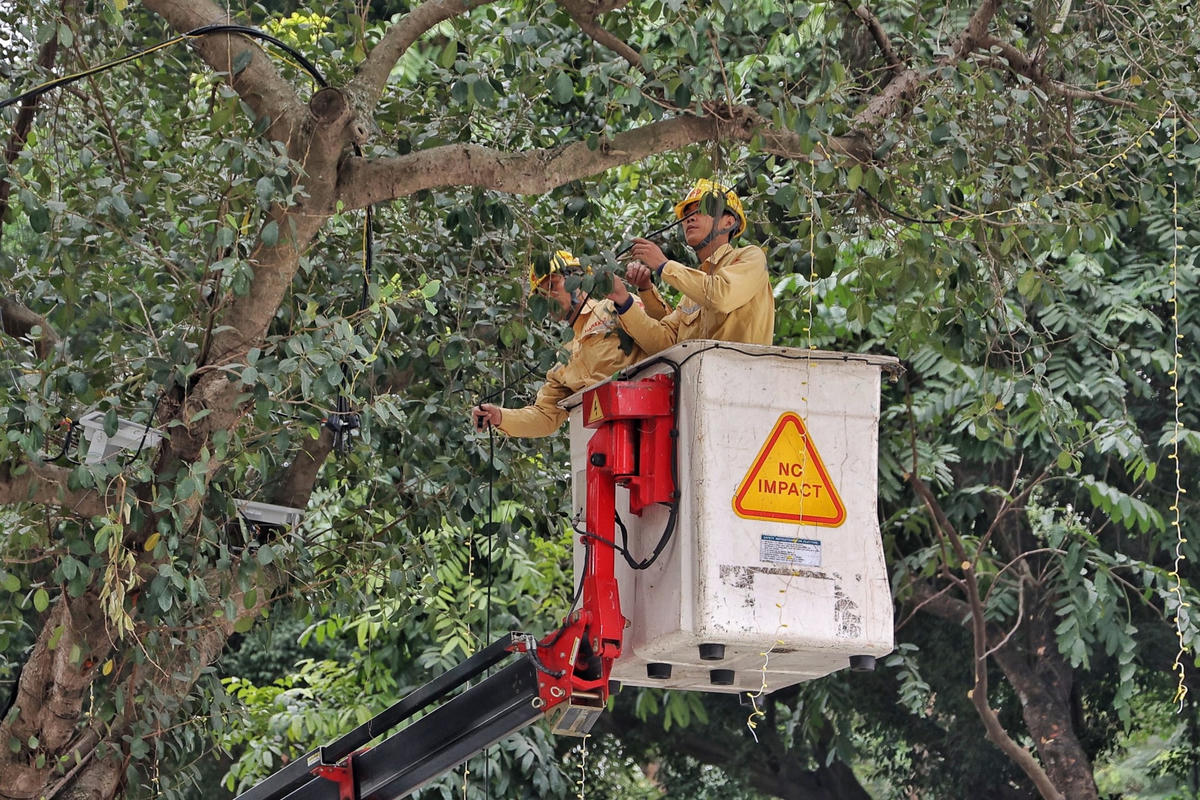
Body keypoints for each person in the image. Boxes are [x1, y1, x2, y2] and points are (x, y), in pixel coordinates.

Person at [471, 250, 654, 438]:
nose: (548, 297)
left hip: (652, 422)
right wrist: (500, 416)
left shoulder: (614, 308)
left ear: (577, 279)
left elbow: (658, 339)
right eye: (541, 295)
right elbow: (544, 417)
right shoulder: (563, 356)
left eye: (552, 285)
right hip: (613, 440)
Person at [606, 179, 774, 354]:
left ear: (729, 222)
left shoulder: (751, 257)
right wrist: (624, 301)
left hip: (741, 377)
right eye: (687, 214)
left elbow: (721, 295)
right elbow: (666, 343)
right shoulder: (692, 291)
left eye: (701, 210)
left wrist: (664, 265)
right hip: (700, 379)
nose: (690, 218)